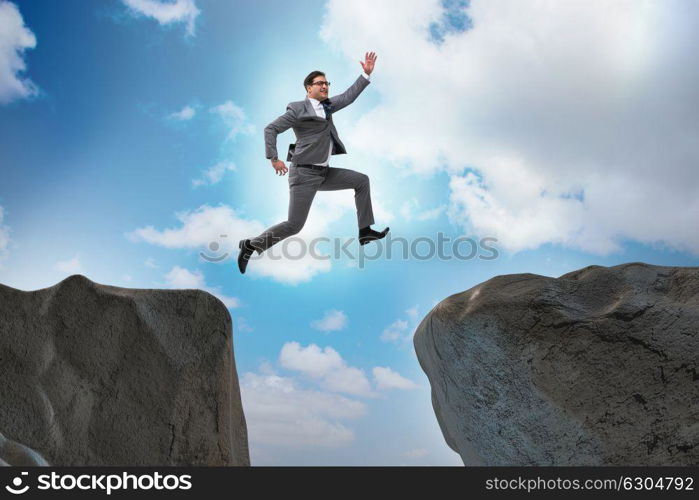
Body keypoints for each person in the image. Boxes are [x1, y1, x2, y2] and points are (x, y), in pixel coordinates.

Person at [237, 51, 389, 274]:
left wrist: (365, 74)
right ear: (309, 88)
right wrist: (274, 158)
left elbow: (348, 96)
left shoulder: (328, 106)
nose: (325, 86)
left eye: (327, 83)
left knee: (361, 181)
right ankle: (251, 245)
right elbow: (271, 129)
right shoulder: (297, 109)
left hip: (324, 173)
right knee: (294, 225)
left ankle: (365, 230)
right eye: (320, 83)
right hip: (303, 175)